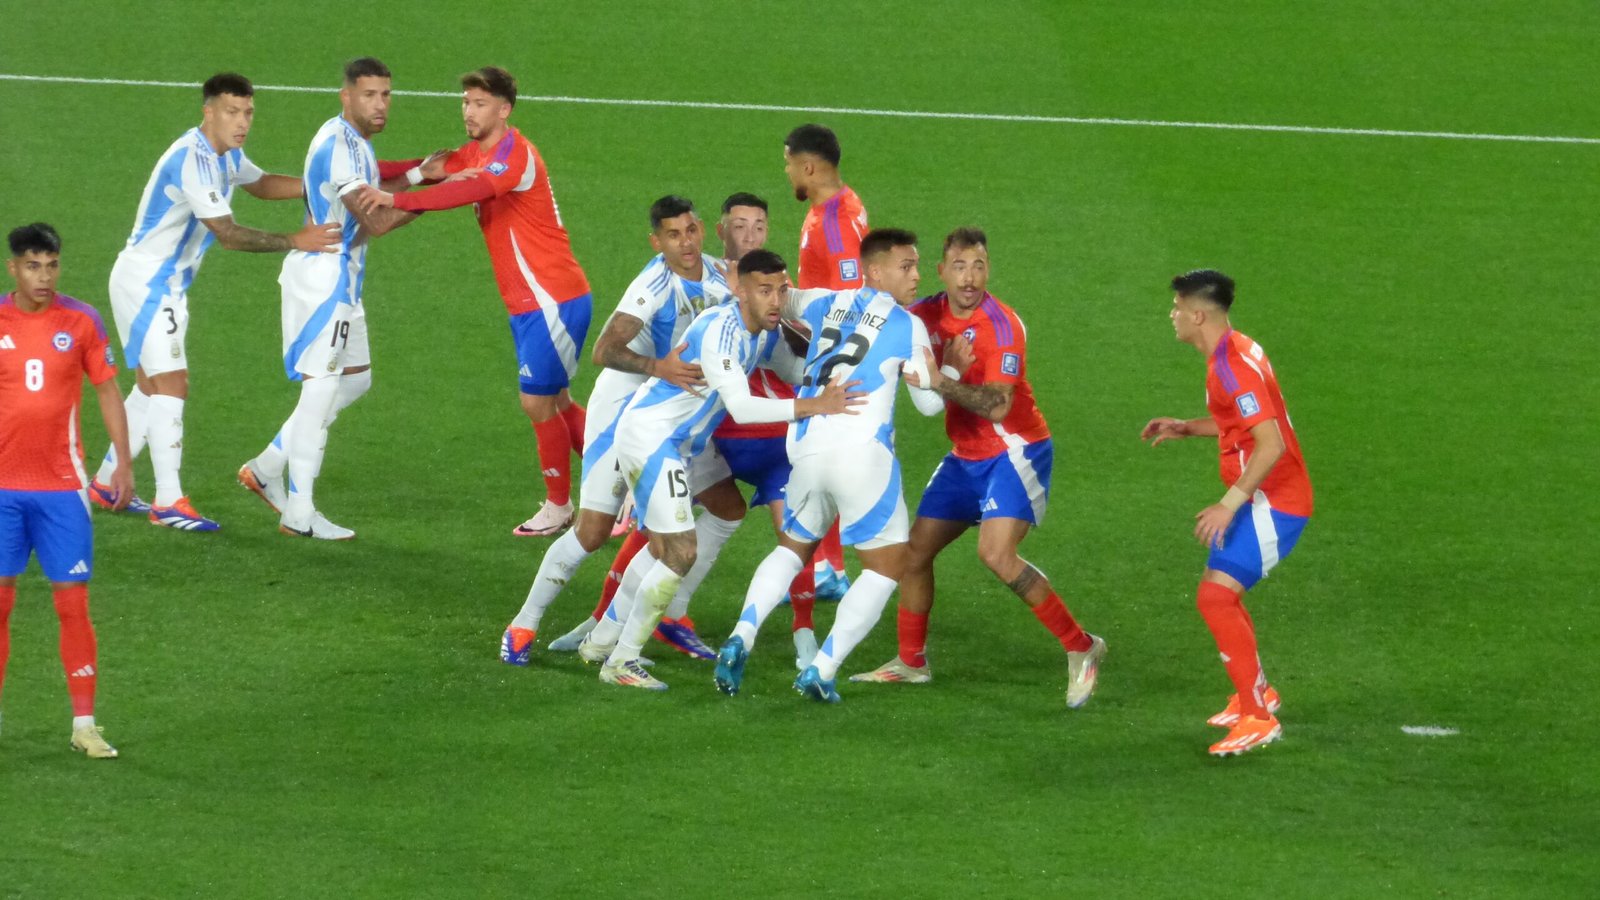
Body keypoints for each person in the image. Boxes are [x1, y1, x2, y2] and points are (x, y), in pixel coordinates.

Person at [851, 228, 1106, 708]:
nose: (969, 278)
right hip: (965, 455)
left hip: (1015, 450)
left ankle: (1082, 646)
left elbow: (998, 406)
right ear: (942, 271)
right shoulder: (923, 314)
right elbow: (875, 320)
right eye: (960, 266)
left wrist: (940, 378)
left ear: (989, 270)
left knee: (997, 554)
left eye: (979, 266)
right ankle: (911, 662)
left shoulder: (1003, 326)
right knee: (913, 554)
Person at [588, 248, 861, 691]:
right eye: (764, 290)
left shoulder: (763, 333)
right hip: (653, 437)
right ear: (741, 291)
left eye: (782, 290)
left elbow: (797, 371)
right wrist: (814, 406)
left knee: (718, 515)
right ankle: (622, 660)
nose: (776, 301)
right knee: (679, 551)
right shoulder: (720, 330)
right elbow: (742, 407)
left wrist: (838, 363)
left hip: (682, 443)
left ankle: (601, 641)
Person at [353, 65, 593, 537]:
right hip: (533, 302)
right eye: (465, 101)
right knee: (557, 401)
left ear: (504, 110)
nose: (468, 111)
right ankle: (625, 483)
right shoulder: (474, 153)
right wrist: (353, 169)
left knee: (537, 403)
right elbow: (428, 168)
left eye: (479, 103)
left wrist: (394, 200)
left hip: (551, 298)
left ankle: (559, 506)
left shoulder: (515, 156)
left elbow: (469, 189)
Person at [498, 196, 739, 666]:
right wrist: (659, 366)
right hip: (625, 412)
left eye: (690, 230)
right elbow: (604, 350)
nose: (685, 243)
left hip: (673, 415)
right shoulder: (654, 285)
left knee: (725, 505)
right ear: (656, 241)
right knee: (592, 531)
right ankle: (523, 624)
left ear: (701, 228)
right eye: (673, 235)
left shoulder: (717, 273)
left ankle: (632, 627)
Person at [93, 72, 339, 532]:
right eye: (231, 112)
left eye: (247, 112)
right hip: (147, 284)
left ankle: (107, 482)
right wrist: (296, 239)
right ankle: (169, 501)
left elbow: (262, 183)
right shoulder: (193, 159)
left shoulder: (226, 155)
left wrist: (318, 185)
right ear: (208, 112)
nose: (242, 121)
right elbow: (227, 234)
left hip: (161, 284)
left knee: (150, 385)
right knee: (172, 384)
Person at [713, 228, 945, 702]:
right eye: (906, 266)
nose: (916, 276)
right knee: (886, 568)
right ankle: (822, 668)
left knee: (791, 549)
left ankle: (742, 634)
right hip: (861, 454)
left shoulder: (825, 302)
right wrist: (950, 371)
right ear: (875, 271)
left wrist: (739, 279)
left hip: (806, 447)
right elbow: (929, 405)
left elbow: (784, 299)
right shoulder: (908, 325)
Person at [238, 57, 416, 539]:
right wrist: (438, 196)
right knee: (320, 388)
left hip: (344, 281)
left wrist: (422, 174)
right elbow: (377, 220)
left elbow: (376, 191)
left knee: (355, 381)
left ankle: (267, 466)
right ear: (346, 96)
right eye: (369, 95)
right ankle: (299, 512)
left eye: (385, 95)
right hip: (324, 283)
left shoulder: (355, 142)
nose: (380, 105)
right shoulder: (340, 147)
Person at [1140, 269, 1313, 757]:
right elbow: (1240, 422)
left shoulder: (1231, 367)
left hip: (1275, 502)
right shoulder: (1234, 351)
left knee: (1216, 597)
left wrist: (1227, 504)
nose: (1172, 315)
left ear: (1198, 315)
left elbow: (1270, 443)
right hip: (1264, 497)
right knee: (1221, 596)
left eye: (1177, 308)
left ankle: (1258, 717)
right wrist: (1186, 427)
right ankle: (1256, 693)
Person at [0, 223, 135, 759]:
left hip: (62, 487)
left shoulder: (81, 320)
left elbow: (107, 390)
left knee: (73, 605)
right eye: (33, 266)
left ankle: (85, 725)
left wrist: (122, 462)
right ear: (14, 268)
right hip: (3, 488)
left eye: (52, 265)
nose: (44, 277)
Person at [782, 123, 869, 600]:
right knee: (819, 463)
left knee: (817, 463)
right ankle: (829, 567)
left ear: (809, 166)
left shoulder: (834, 224)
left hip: (833, 362)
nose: (787, 172)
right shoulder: (835, 207)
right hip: (825, 354)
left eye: (789, 164)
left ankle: (830, 568)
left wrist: (831, 366)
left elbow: (851, 300)